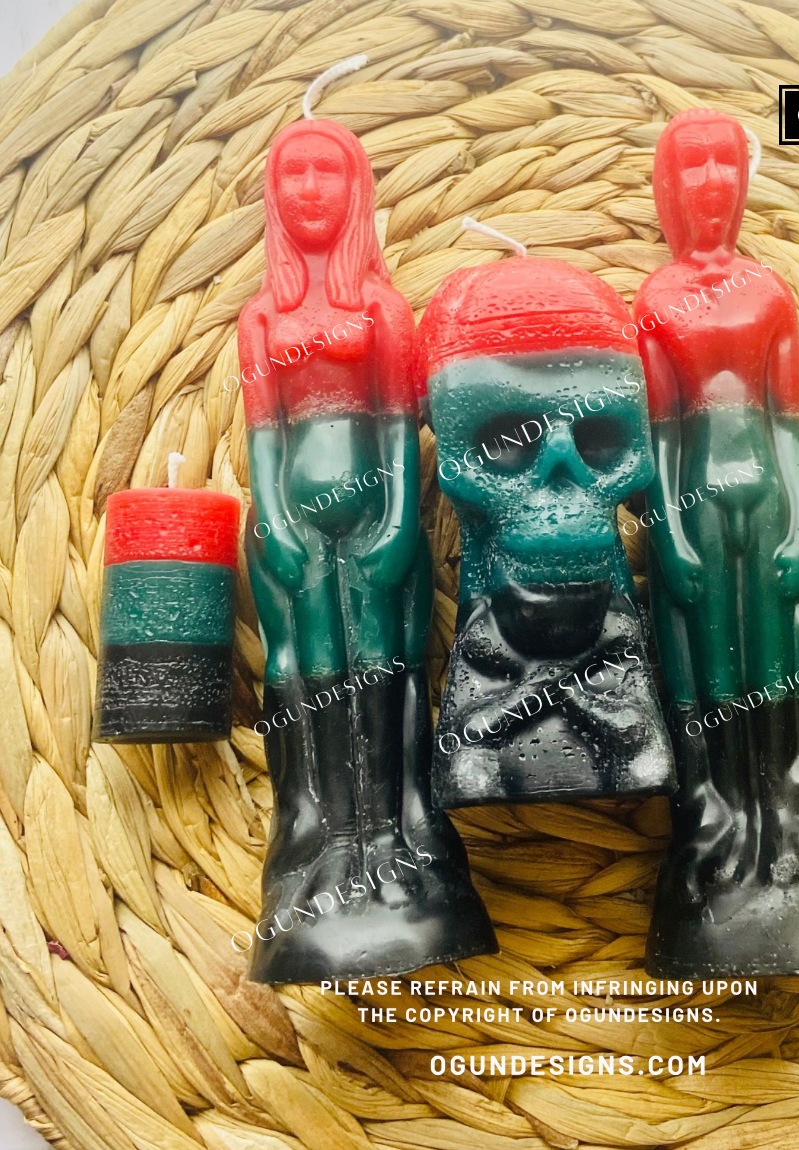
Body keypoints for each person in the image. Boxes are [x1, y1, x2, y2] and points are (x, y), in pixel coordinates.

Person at [238, 118, 493, 982]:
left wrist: (393, 521)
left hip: (376, 513)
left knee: (384, 669)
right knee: (312, 675)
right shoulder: (261, 317)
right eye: (295, 173)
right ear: (274, 193)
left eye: (329, 173)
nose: (311, 189)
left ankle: (391, 839)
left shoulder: (381, 310)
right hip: (293, 522)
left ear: (356, 193)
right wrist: (276, 521)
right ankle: (327, 844)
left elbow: (394, 430)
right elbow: (264, 436)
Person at [637, 109, 799, 976]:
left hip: (769, 499)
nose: (709, 181)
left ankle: (792, 826)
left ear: (741, 181)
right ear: (670, 187)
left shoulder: (770, 294)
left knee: (778, 658)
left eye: (722, 163)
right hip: (698, 503)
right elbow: (661, 437)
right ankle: (716, 829)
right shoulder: (657, 300)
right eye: (691, 165)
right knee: (709, 662)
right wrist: (670, 529)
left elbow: (785, 426)